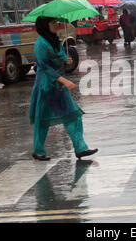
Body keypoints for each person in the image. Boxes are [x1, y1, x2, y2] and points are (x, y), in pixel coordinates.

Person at [30, 16, 98, 160]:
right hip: (46, 86)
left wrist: (66, 59)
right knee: (42, 120)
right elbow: (44, 66)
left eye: (57, 22)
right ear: (44, 25)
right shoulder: (40, 44)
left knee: (73, 115)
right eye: (53, 23)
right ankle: (38, 151)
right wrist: (64, 81)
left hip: (59, 87)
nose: (57, 25)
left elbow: (59, 55)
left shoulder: (55, 40)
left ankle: (80, 148)